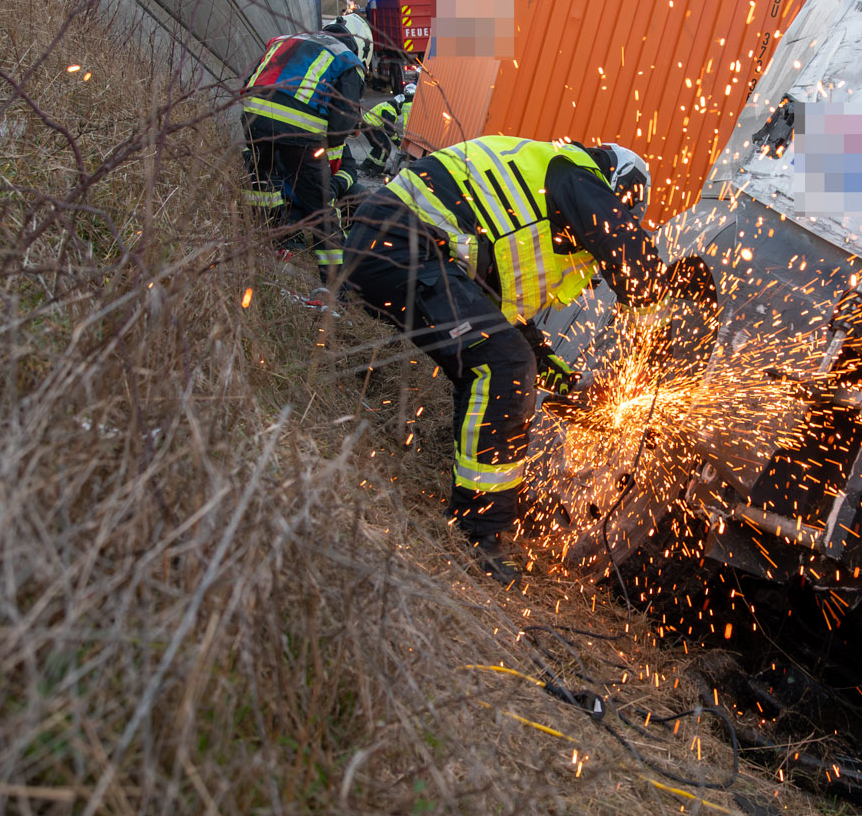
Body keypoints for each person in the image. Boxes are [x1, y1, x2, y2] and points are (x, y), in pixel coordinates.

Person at [342, 136, 661, 580]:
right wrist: (651, 334)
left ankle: (488, 503)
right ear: (618, 188)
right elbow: (629, 251)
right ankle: (478, 531)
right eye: (622, 210)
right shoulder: (573, 173)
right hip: (401, 241)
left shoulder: (531, 210)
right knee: (504, 367)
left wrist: (571, 386)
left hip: (394, 246)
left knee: (495, 361)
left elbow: (506, 325)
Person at [239, 29, 364, 274]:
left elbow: (249, 82)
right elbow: (343, 120)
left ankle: (260, 241)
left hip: (254, 116)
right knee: (320, 205)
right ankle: (334, 284)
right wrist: (324, 143)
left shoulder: (283, 40)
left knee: (260, 178)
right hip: (299, 129)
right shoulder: (349, 59)